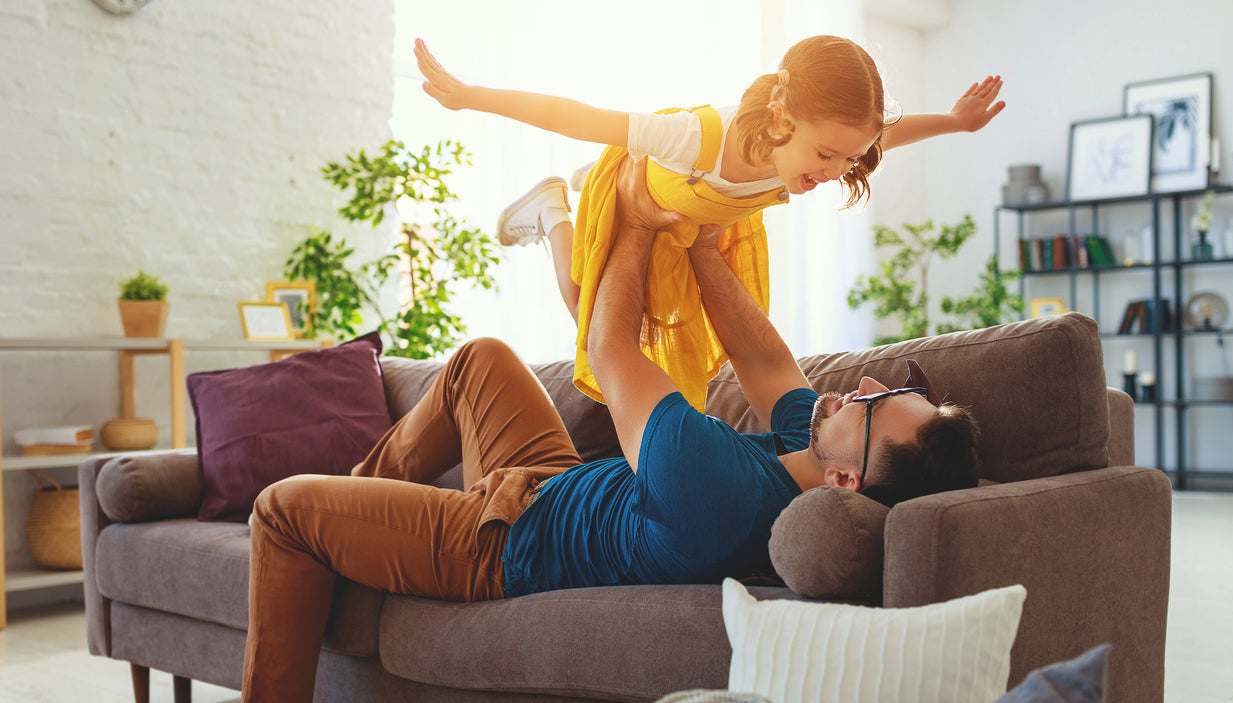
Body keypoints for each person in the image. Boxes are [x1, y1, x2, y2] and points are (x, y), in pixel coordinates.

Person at [241, 157, 981, 703]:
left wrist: (635, 217)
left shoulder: (718, 490)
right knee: (478, 361)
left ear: (848, 482)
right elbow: (762, 356)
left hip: (499, 542)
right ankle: (353, 517)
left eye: (878, 404)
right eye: (887, 383)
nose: (864, 386)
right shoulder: (809, 449)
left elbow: (610, 347)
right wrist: (698, 242)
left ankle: (323, 533)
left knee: (280, 510)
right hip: (551, 482)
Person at [415, 36, 1005, 410]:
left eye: (849, 160)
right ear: (780, 117)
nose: (835, 171)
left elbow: (888, 136)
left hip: (703, 223)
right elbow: (579, 115)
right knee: (588, 316)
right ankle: (551, 211)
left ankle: (556, 205)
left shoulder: (817, 151)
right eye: (826, 155)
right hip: (634, 199)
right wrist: (472, 96)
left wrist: (955, 121)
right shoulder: (695, 137)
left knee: (712, 334)